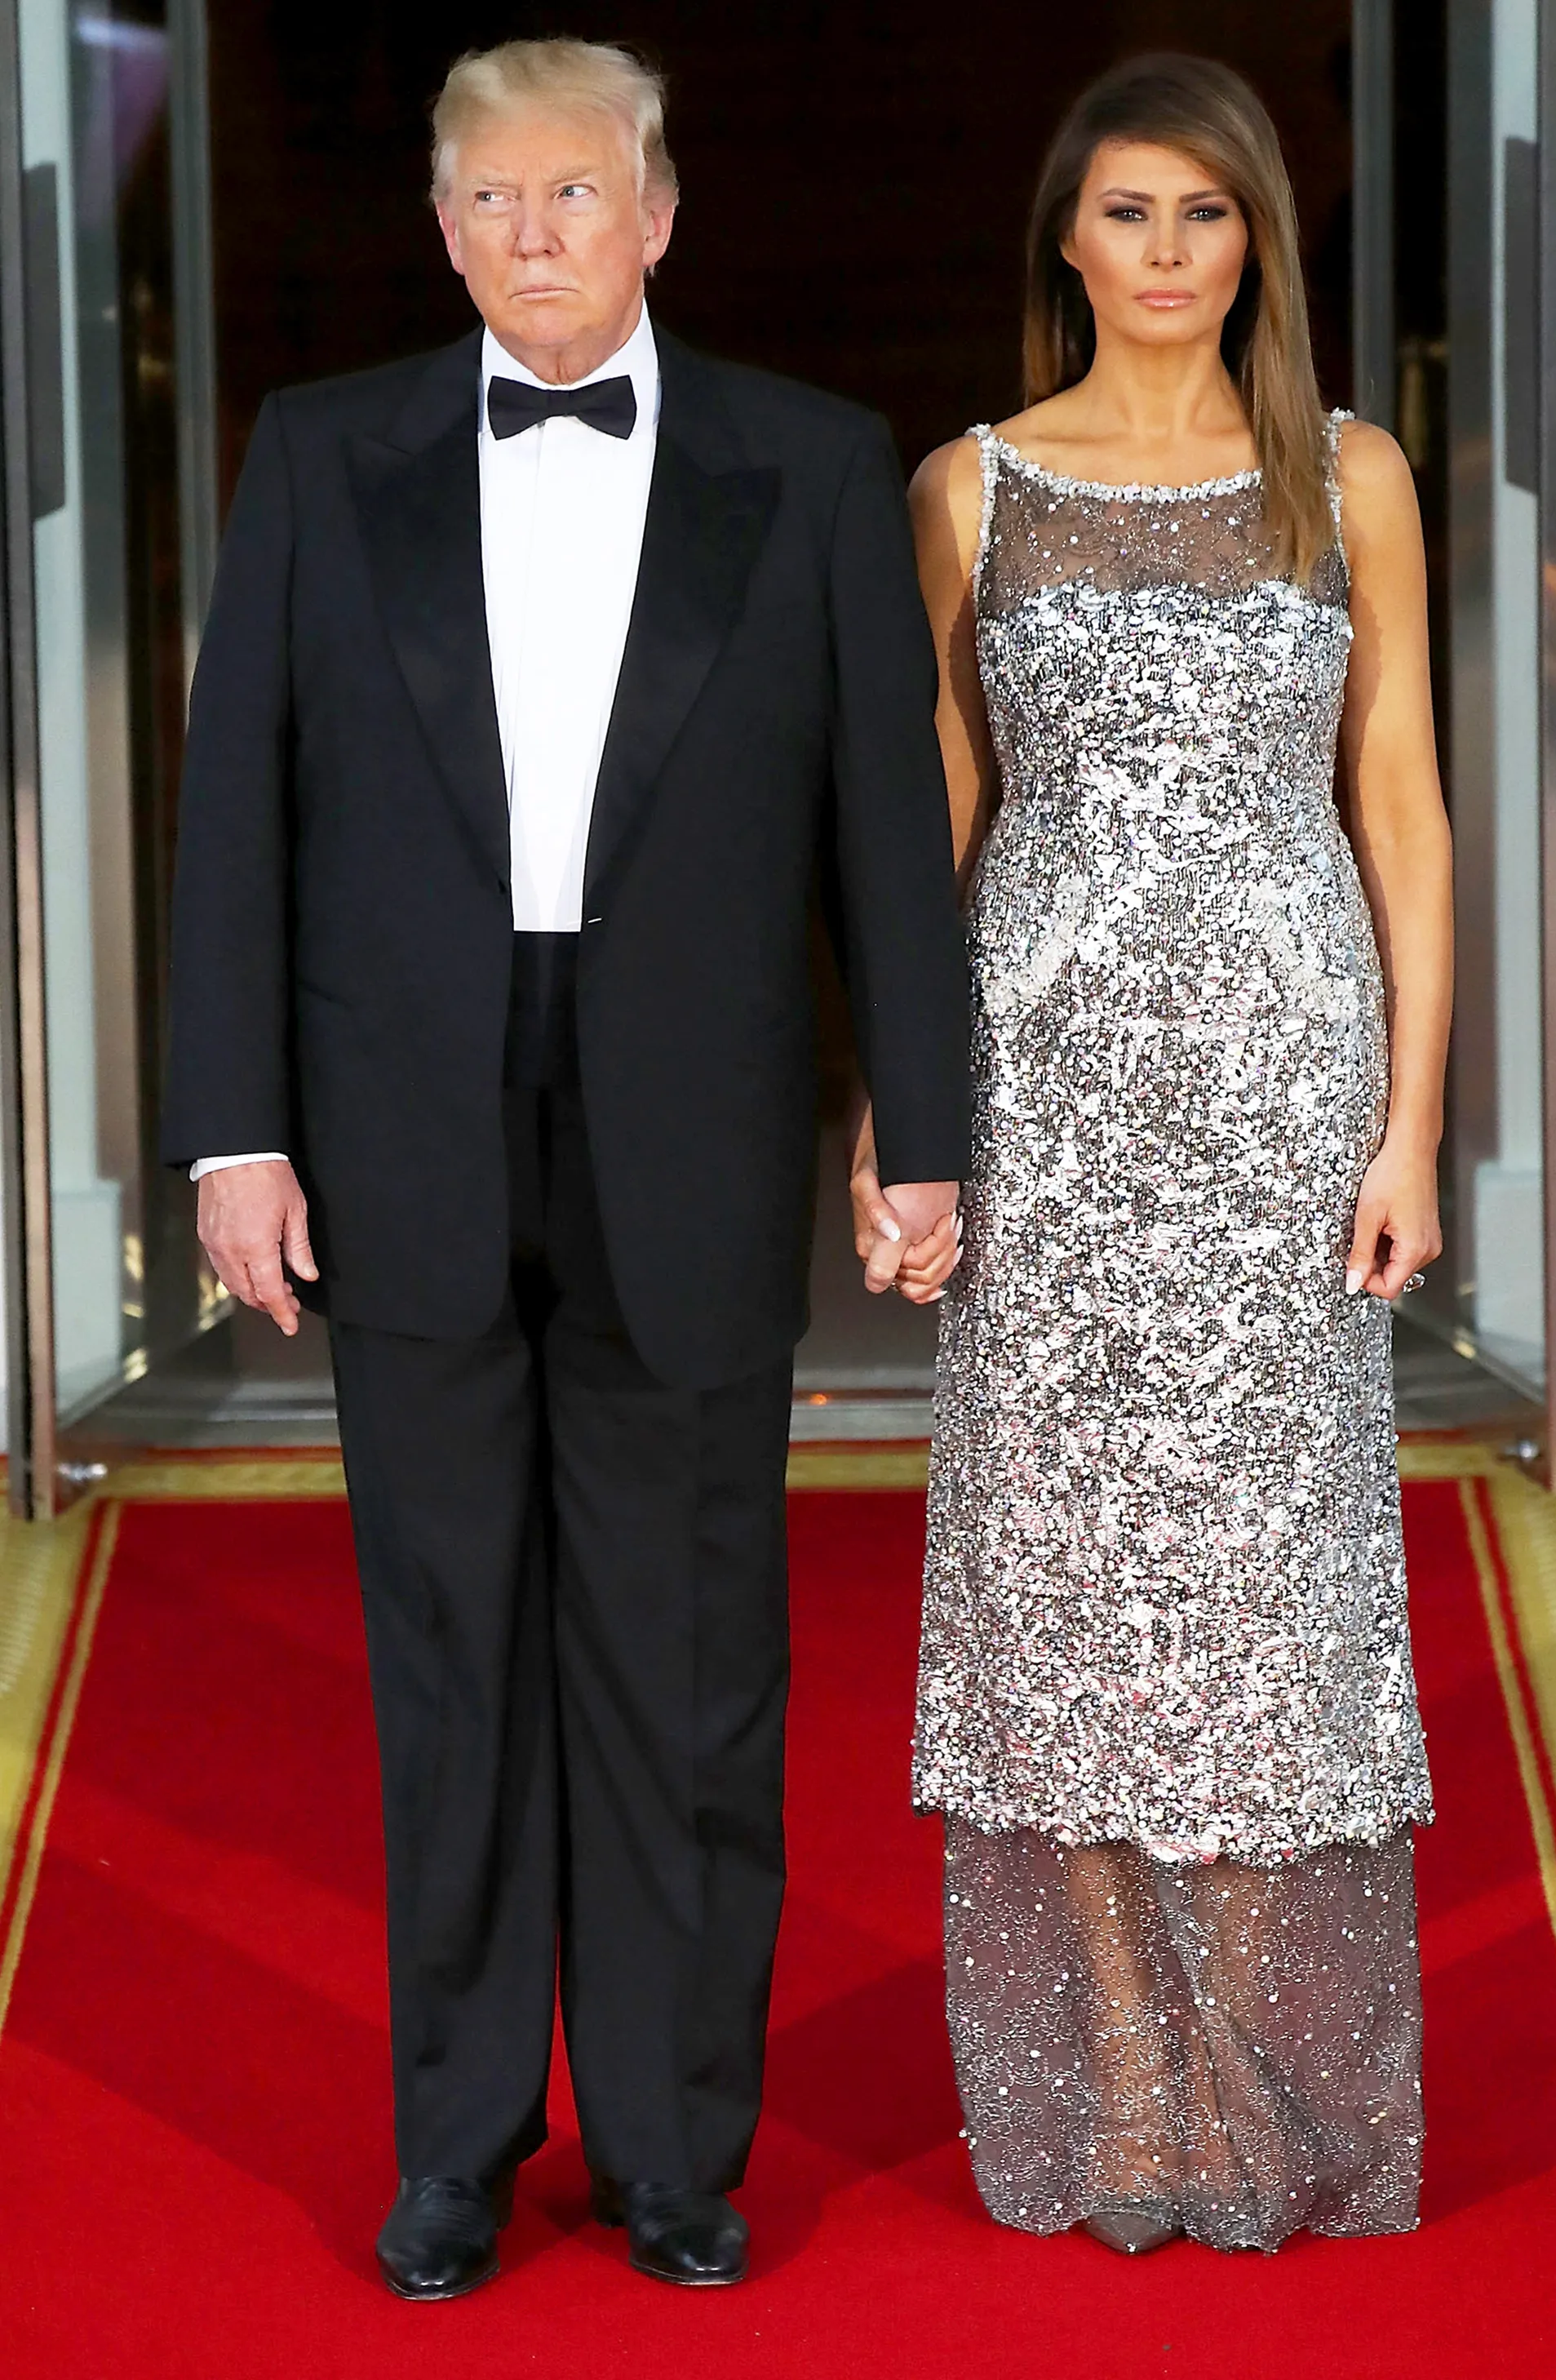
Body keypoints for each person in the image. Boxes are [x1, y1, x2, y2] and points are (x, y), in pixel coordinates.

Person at [162, 38, 968, 2300]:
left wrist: (930, 1130)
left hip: (692, 1132)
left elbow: (885, 844)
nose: (535, 235)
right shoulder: (326, 457)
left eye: (576, 194)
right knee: (447, 1664)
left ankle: (679, 2148)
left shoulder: (808, 470)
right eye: (492, 200)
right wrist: (234, 1127)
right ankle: (457, 2143)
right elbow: (243, 816)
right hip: (397, 1123)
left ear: (660, 211)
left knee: (693, 1663)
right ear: (441, 225)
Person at [857, 52, 1450, 2253]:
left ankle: (1276, 2103)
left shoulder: (1348, 476)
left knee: (1275, 1608)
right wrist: (900, 1121)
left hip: (1289, 1101)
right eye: (1130, 215)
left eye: (1208, 217)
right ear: (1068, 242)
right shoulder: (966, 490)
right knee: (1070, 1606)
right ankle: (1122, 2096)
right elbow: (931, 824)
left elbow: (1399, 804)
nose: (1171, 257)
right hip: (1051, 1098)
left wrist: (1416, 1119)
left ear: (1258, 244)